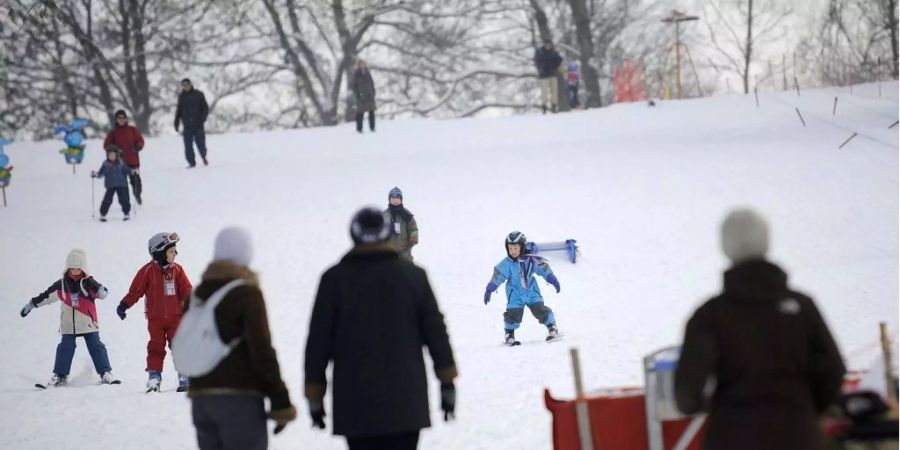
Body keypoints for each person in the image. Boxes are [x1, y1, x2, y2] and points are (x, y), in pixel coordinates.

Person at [674, 208, 847, 450]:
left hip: (732, 436)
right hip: (797, 434)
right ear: (767, 241)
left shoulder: (709, 316)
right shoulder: (802, 308)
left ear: (724, 246)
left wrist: (712, 407)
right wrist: (803, 407)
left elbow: (687, 393)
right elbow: (833, 368)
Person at [305, 207, 457, 450]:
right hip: (406, 402)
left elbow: (318, 342)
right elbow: (436, 333)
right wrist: (447, 382)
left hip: (355, 403)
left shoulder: (333, 280)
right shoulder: (413, 277)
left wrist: (314, 394)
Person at [188, 227, 296, 450]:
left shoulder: (197, 295)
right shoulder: (247, 294)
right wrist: (280, 400)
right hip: (239, 399)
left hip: (201, 399)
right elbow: (261, 349)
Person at [19, 249, 117, 387]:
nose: (75, 272)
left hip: (88, 322)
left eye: (78, 269)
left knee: (96, 346)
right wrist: (32, 304)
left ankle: (105, 373)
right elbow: (47, 295)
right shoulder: (61, 285)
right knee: (65, 347)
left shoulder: (88, 282)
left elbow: (101, 293)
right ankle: (60, 376)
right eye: (72, 269)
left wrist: (101, 290)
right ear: (67, 268)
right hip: (68, 325)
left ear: (83, 268)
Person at [117, 232, 193, 392]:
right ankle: (154, 378)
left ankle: (185, 376)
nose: (175, 254)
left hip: (176, 318)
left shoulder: (177, 270)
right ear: (159, 252)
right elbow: (135, 291)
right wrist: (124, 304)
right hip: (155, 320)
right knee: (156, 347)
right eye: (172, 251)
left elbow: (186, 289)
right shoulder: (147, 271)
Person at [484, 231, 562, 346]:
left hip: (531, 291)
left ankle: (552, 327)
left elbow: (543, 268)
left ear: (522, 247)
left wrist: (552, 279)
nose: (513, 251)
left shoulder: (531, 260)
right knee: (513, 314)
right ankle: (509, 335)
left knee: (539, 309)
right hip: (515, 294)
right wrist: (490, 288)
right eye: (510, 248)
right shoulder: (506, 264)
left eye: (515, 248)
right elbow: (498, 275)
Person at [103, 110, 145, 204]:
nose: (121, 120)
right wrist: (115, 152)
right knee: (123, 184)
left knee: (136, 181)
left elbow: (140, 140)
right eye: (119, 118)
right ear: (116, 120)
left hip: (133, 161)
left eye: (123, 117)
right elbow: (107, 145)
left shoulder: (133, 130)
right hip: (119, 163)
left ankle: (137, 195)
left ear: (126, 119)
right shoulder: (113, 133)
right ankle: (126, 203)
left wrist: (138, 146)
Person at [174, 78, 209, 168]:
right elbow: (179, 110)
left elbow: (205, 108)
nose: (186, 86)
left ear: (190, 84)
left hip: (198, 124)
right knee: (188, 145)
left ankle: (203, 156)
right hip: (187, 125)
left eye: (187, 84)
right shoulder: (182, 97)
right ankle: (192, 163)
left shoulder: (199, 94)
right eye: (184, 85)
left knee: (201, 144)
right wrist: (176, 123)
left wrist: (203, 119)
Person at [91, 147, 133, 222]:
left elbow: (126, 170)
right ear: (107, 156)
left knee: (124, 199)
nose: (112, 157)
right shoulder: (106, 164)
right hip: (110, 185)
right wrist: (96, 174)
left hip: (121, 184)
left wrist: (132, 171)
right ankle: (103, 214)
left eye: (113, 155)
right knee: (107, 199)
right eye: (110, 155)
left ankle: (126, 213)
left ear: (116, 155)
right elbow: (101, 173)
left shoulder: (121, 163)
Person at [385, 187, 419, 262]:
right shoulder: (384, 215)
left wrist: (412, 241)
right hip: (388, 253)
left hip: (405, 251)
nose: (395, 201)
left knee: (408, 271)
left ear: (401, 199)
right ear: (389, 200)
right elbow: (379, 231)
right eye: (393, 198)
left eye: (397, 198)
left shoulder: (407, 214)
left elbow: (413, 229)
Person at [533, 39, 563, 114]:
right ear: (544, 44)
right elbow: (536, 61)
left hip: (553, 74)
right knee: (544, 92)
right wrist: (541, 68)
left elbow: (559, 61)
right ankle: (544, 107)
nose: (548, 46)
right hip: (544, 75)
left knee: (554, 91)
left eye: (549, 44)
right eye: (547, 44)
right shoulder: (540, 52)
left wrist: (557, 66)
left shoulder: (554, 52)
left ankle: (554, 106)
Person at [352, 59, 376, 133]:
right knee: (360, 113)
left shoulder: (368, 73)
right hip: (361, 96)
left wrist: (373, 92)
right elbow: (354, 86)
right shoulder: (356, 74)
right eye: (361, 64)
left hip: (369, 96)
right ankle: (359, 129)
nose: (362, 65)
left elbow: (372, 84)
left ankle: (372, 128)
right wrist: (358, 94)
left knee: (371, 112)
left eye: (364, 64)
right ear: (358, 65)